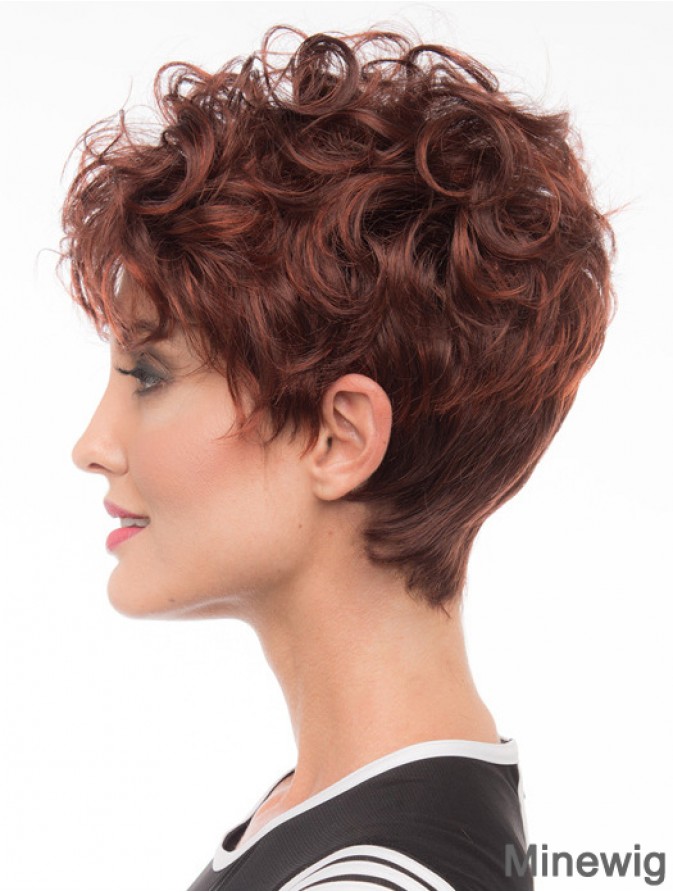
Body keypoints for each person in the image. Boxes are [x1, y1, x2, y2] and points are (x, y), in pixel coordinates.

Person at [61, 24, 615, 892]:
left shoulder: (369, 876)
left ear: (339, 438)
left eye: (149, 376)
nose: (92, 447)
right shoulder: (337, 816)